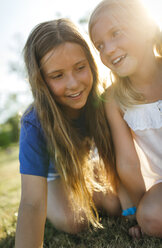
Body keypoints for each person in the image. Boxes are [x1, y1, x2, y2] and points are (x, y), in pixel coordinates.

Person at [15, 18, 121, 248]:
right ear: (40, 81)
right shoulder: (34, 123)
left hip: (89, 163)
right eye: (57, 76)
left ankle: (88, 185)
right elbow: (32, 203)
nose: (73, 84)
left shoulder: (102, 101)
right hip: (56, 176)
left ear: (91, 64)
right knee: (75, 221)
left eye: (80, 68)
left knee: (114, 206)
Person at [89, 0, 162, 239]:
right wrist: (141, 210)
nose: (107, 50)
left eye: (116, 33)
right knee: (152, 217)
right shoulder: (114, 100)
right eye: (99, 45)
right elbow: (128, 164)